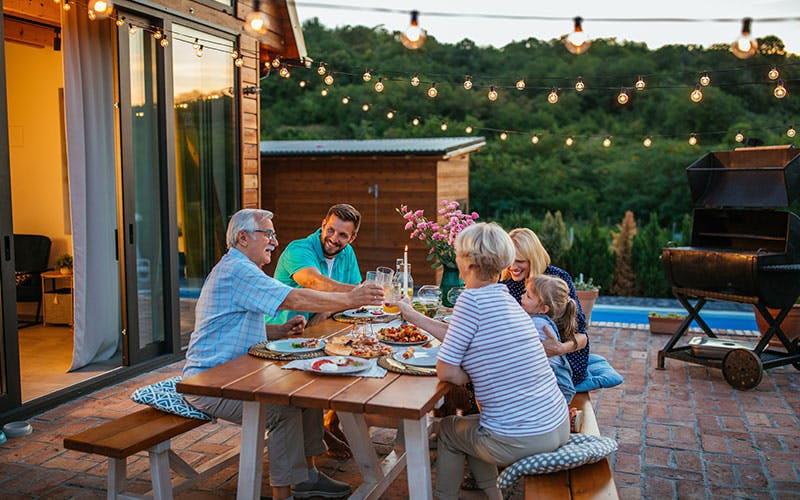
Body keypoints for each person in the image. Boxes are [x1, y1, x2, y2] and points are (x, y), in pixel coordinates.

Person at [182, 208, 384, 500]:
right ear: (242, 238)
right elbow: (294, 295)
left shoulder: (241, 268)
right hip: (210, 383)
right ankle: (283, 494)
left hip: (237, 372)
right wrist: (350, 298)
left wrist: (278, 331)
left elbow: (234, 323)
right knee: (282, 409)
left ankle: (307, 476)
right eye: (269, 235)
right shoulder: (238, 270)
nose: (275, 243)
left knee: (307, 391)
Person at [398, 222, 569, 500]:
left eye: (457, 254)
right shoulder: (507, 298)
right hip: (555, 422)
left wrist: (466, 374)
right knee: (477, 427)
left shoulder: (471, 301)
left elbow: (446, 370)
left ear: (467, 262)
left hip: (523, 436)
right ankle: (494, 494)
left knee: (450, 431)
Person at [500, 227, 590, 384]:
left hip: (562, 365)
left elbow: (582, 337)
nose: (513, 267)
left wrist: (559, 348)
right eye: (509, 260)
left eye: (520, 261)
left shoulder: (556, 279)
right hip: (527, 358)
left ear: (533, 258)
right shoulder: (505, 283)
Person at [268, 203, 363, 326]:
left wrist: (326, 311)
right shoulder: (298, 249)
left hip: (316, 331)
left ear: (352, 238)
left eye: (342, 235)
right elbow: (314, 282)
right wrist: (359, 292)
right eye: (331, 230)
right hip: (280, 334)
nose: (334, 239)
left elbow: (354, 302)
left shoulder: (347, 252)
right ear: (323, 225)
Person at [521, 274, 578, 403]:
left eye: (528, 296)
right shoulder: (540, 320)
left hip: (557, 383)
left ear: (544, 309)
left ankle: (570, 416)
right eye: (525, 292)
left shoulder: (538, 324)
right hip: (557, 380)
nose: (522, 296)